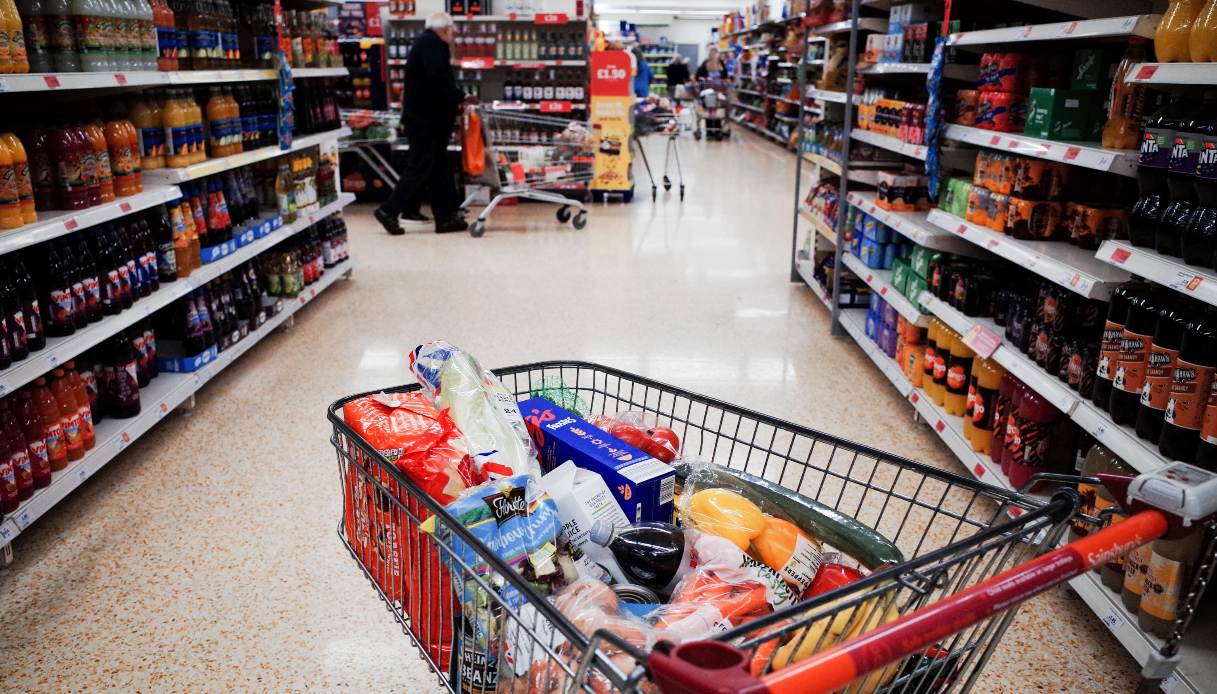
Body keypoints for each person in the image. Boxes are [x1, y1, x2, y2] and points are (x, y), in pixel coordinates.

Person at [374, 12, 469, 235]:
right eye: (452, 29)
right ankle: (389, 210)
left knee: (438, 166)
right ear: (444, 29)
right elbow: (438, 81)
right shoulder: (431, 45)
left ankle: (445, 217)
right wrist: (459, 96)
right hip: (426, 120)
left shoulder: (427, 43)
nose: (453, 34)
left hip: (427, 119)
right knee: (420, 165)